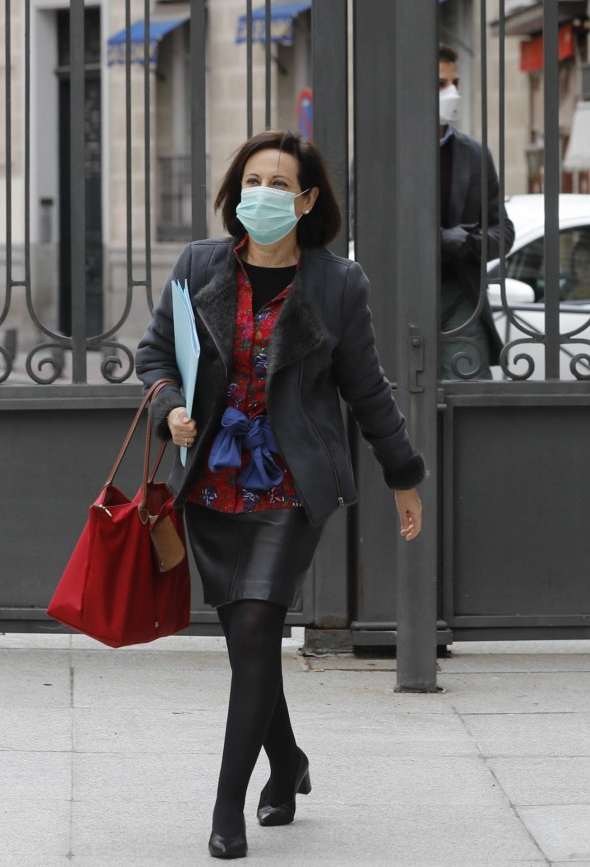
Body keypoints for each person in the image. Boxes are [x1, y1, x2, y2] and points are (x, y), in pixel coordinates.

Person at [135, 129, 426, 860]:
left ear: (305, 200)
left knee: (260, 626)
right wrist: (170, 401)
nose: (261, 194)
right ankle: (288, 763)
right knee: (247, 644)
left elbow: (366, 388)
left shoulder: (336, 282)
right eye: (251, 180)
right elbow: (152, 355)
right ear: (236, 192)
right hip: (210, 481)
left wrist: (403, 473)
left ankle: (227, 807)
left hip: (290, 482)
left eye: (277, 183)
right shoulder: (199, 263)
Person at [439, 43, 515, 379]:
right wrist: (440, 241)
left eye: (455, 83)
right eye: (441, 84)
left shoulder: (474, 154)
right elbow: (364, 230)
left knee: (468, 396)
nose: (452, 92)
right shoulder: (379, 157)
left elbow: (503, 233)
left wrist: (467, 242)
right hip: (397, 297)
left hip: (462, 298)